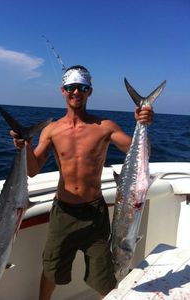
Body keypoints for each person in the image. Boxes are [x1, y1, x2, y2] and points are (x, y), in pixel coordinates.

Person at [10, 65, 154, 300]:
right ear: (63, 90)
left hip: (95, 214)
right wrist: (24, 146)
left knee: (104, 276)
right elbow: (33, 170)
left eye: (82, 87)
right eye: (71, 87)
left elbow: (142, 151)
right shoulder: (51, 130)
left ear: (90, 92)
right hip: (63, 213)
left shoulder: (105, 126)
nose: (76, 92)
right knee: (51, 271)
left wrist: (144, 123)